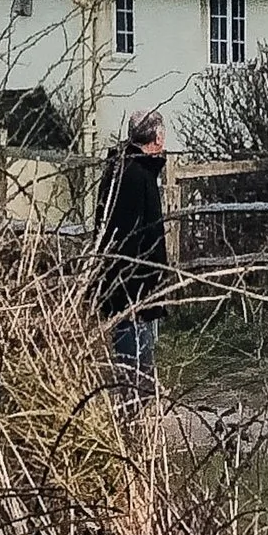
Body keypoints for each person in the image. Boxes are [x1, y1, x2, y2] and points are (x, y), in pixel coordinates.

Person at [95, 109, 171, 412]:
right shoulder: (136, 174)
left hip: (121, 278)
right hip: (133, 283)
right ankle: (133, 414)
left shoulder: (119, 169)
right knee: (134, 359)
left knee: (136, 356)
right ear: (155, 137)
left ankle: (135, 409)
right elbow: (138, 234)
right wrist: (146, 284)